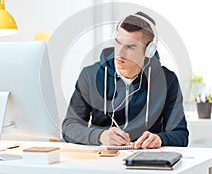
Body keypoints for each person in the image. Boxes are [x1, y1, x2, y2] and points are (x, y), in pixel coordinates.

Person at [62, 12, 189, 149]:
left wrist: (160, 139)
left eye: (130, 47)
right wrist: (100, 136)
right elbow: (69, 127)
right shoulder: (90, 75)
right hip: (103, 159)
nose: (120, 53)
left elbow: (181, 135)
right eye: (118, 43)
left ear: (148, 51)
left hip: (146, 161)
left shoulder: (167, 81)